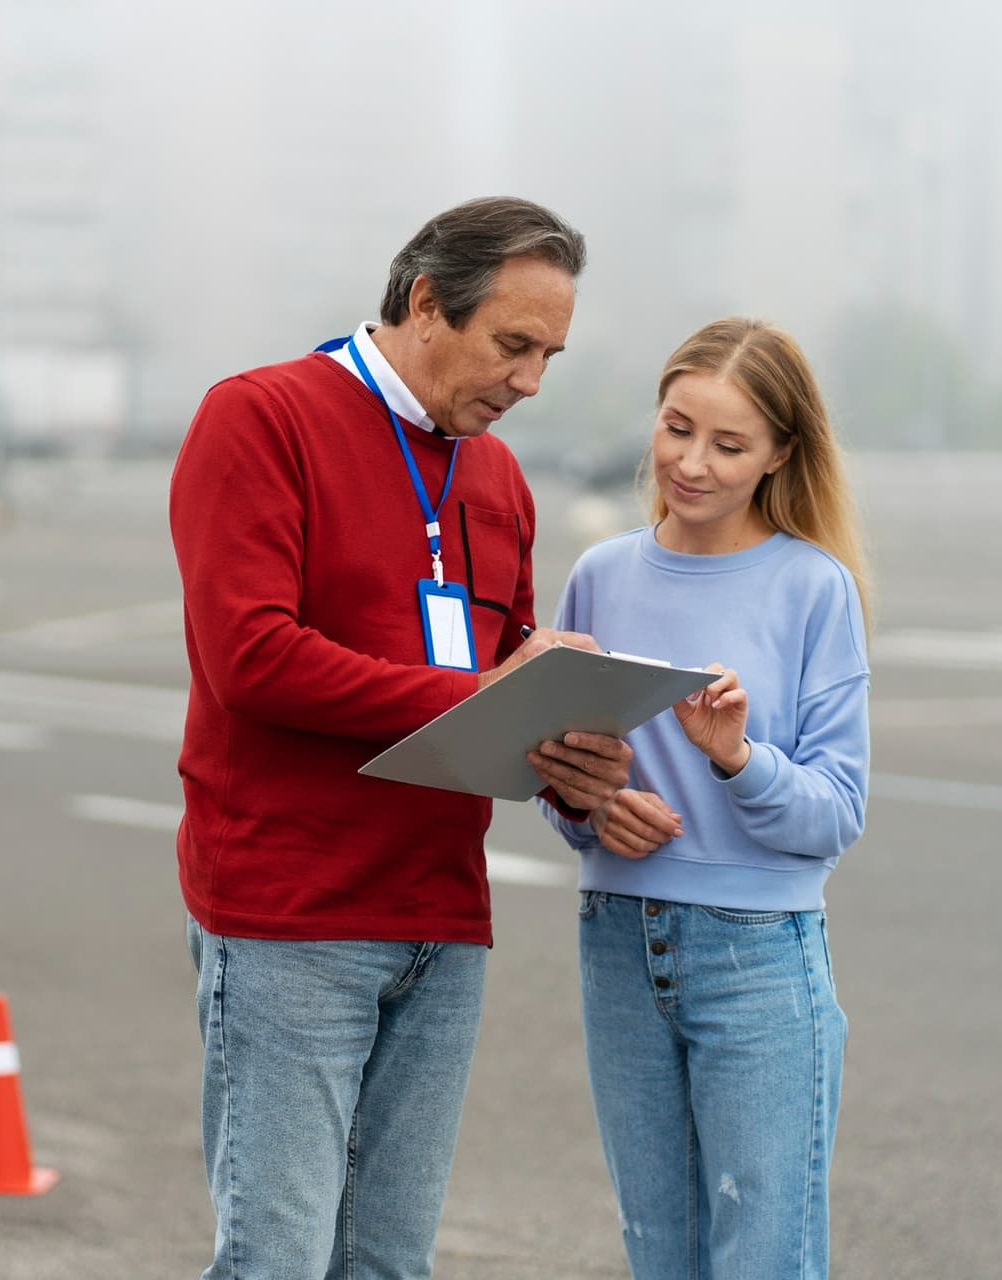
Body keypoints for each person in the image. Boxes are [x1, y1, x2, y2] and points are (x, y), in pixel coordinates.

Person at [168, 196, 634, 1278]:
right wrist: (477, 691)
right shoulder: (260, 416)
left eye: (550, 355)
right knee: (276, 1260)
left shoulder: (500, 475)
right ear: (427, 303)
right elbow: (251, 656)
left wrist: (576, 764)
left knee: (388, 1264)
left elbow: (512, 690)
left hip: (441, 915)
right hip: (292, 916)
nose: (530, 382)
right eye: (513, 345)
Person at [539, 316, 872, 1279]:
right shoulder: (599, 576)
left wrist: (738, 760)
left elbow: (836, 813)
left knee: (763, 1256)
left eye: (729, 445)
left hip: (757, 958)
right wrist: (590, 809)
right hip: (616, 942)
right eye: (677, 427)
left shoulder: (815, 588)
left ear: (779, 455)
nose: (692, 463)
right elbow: (557, 771)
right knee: (662, 1254)